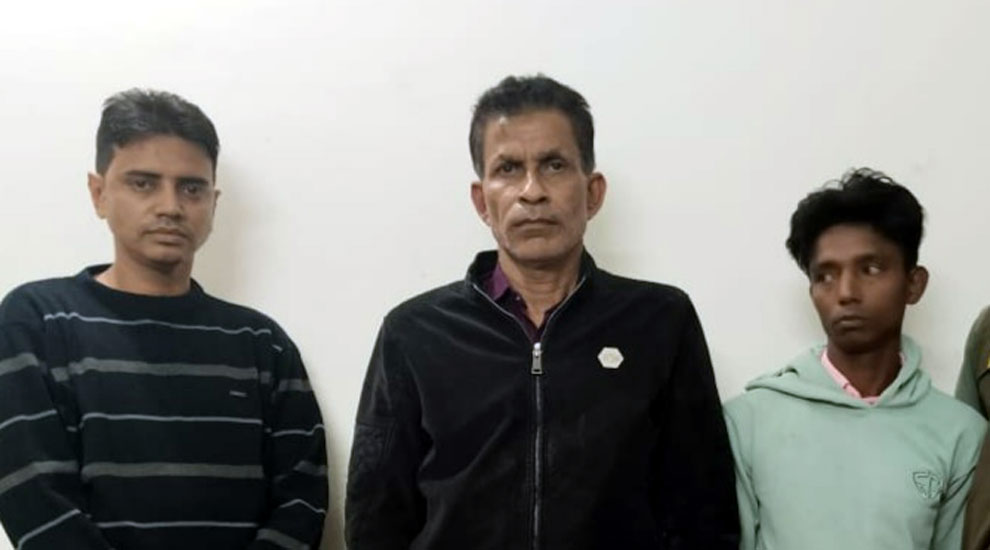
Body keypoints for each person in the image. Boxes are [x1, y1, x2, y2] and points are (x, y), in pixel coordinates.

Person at [345, 74, 739, 549]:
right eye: (508, 168)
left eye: (554, 165)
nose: (532, 191)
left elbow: (704, 511)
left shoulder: (660, 321)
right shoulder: (414, 333)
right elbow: (374, 519)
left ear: (592, 192)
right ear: (482, 201)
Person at [0, 89, 327, 549]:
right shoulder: (37, 321)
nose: (170, 206)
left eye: (191, 188)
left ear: (213, 202)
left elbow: (302, 499)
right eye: (143, 183)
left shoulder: (261, 343)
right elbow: (32, 495)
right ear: (99, 193)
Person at [724, 168, 985, 550]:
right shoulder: (747, 422)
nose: (846, 292)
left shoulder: (961, 433)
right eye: (825, 276)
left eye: (870, 269)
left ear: (914, 284)